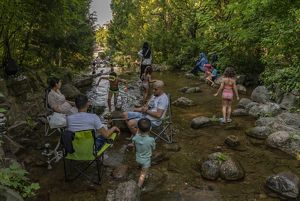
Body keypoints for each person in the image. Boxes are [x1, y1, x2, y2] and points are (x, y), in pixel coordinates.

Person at [128, 118, 155, 188]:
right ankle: (138, 186)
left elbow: (134, 144)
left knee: (141, 166)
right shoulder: (151, 140)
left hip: (138, 158)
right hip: (146, 161)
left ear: (138, 129)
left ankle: (141, 168)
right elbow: (153, 148)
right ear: (150, 129)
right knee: (143, 174)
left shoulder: (135, 138)